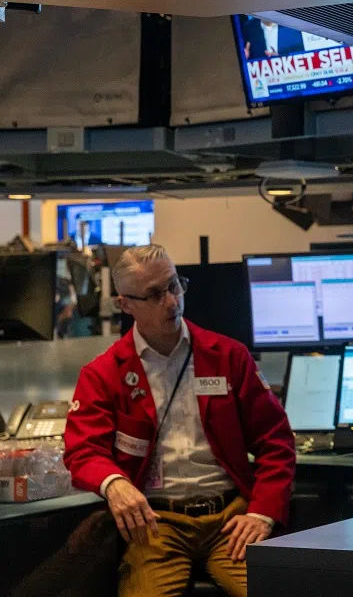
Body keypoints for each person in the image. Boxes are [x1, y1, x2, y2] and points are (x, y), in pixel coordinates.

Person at [63, 244, 295, 597]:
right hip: (156, 524)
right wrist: (114, 483)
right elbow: (83, 451)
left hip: (230, 518)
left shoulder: (228, 356)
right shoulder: (104, 373)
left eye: (174, 285)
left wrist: (262, 513)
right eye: (154, 294)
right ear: (126, 305)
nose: (172, 301)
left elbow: (276, 441)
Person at [242, 17, 306, 59]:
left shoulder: (292, 24)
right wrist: (245, 58)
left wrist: (281, 59)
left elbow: (301, 55)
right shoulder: (250, 27)